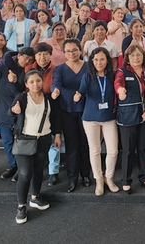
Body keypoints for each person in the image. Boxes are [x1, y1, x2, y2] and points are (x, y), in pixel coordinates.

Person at [9, 70, 61, 224]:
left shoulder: (48, 98)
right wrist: (14, 111)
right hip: (25, 140)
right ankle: (21, 206)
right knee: (25, 174)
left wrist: (57, 135)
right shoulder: (21, 98)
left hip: (44, 139)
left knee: (39, 170)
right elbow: (9, 113)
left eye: (38, 81)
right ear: (26, 84)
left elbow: (55, 117)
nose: (35, 84)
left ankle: (35, 196)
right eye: (31, 82)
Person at [0, 47, 35, 182]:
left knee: (20, 139)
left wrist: (14, 82)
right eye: (25, 57)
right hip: (3, 109)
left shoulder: (29, 70)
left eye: (30, 59)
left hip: (21, 109)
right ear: (18, 56)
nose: (27, 61)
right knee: (7, 140)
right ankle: (13, 165)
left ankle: (22, 166)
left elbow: (22, 90)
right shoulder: (5, 64)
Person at [72, 48, 119, 196]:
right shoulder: (88, 76)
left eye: (102, 59)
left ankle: (109, 178)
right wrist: (77, 96)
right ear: (92, 61)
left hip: (108, 118)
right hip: (90, 118)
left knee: (113, 151)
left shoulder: (112, 75)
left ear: (107, 61)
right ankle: (98, 180)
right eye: (96, 59)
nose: (99, 62)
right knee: (95, 150)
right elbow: (81, 91)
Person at [51, 39, 92, 192]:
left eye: (75, 50)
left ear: (80, 50)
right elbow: (56, 84)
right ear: (64, 52)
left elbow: (92, 85)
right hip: (67, 110)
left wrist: (81, 94)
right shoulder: (60, 69)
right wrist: (55, 90)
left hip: (86, 109)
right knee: (72, 145)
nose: (72, 53)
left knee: (85, 144)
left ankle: (86, 175)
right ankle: (72, 178)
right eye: (68, 51)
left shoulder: (88, 67)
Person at [114, 45, 145, 194]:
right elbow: (118, 84)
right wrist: (121, 91)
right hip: (128, 116)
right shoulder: (122, 72)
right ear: (128, 58)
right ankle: (126, 180)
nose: (136, 58)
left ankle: (144, 176)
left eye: (138, 55)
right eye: (132, 56)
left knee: (143, 148)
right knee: (128, 150)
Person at [23, 43, 59, 187]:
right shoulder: (28, 68)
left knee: (52, 141)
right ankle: (36, 170)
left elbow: (57, 84)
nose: (42, 57)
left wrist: (55, 90)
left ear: (50, 55)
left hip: (50, 104)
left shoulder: (56, 69)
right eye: (39, 54)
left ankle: (53, 171)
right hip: (32, 106)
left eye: (45, 54)